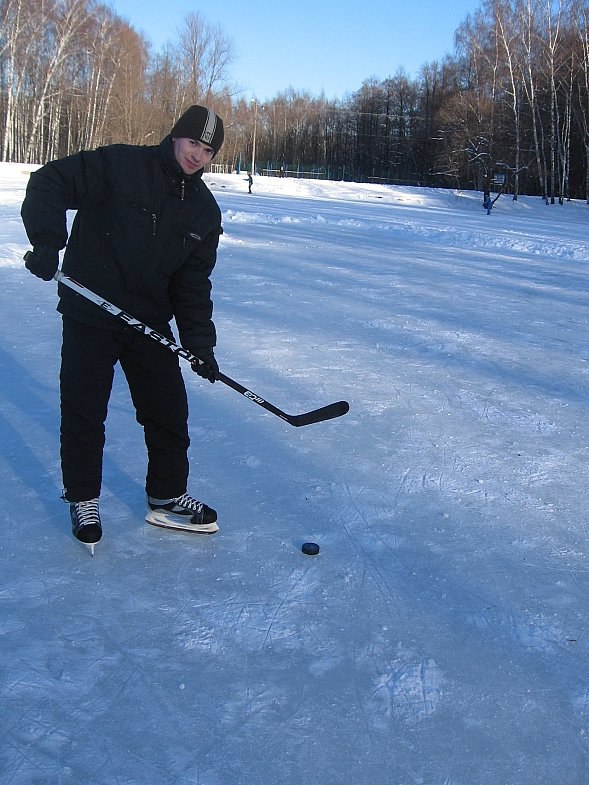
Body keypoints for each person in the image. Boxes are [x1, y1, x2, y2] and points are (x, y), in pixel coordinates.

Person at [21, 105, 226, 551]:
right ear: (175, 137)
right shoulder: (120, 165)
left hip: (147, 321)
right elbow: (49, 181)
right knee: (84, 410)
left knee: (168, 411)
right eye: (193, 142)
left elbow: (192, 287)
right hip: (90, 311)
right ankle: (83, 498)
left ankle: (167, 495)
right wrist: (46, 241)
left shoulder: (204, 213)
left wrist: (200, 346)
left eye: (207, 150)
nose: (197, 155)